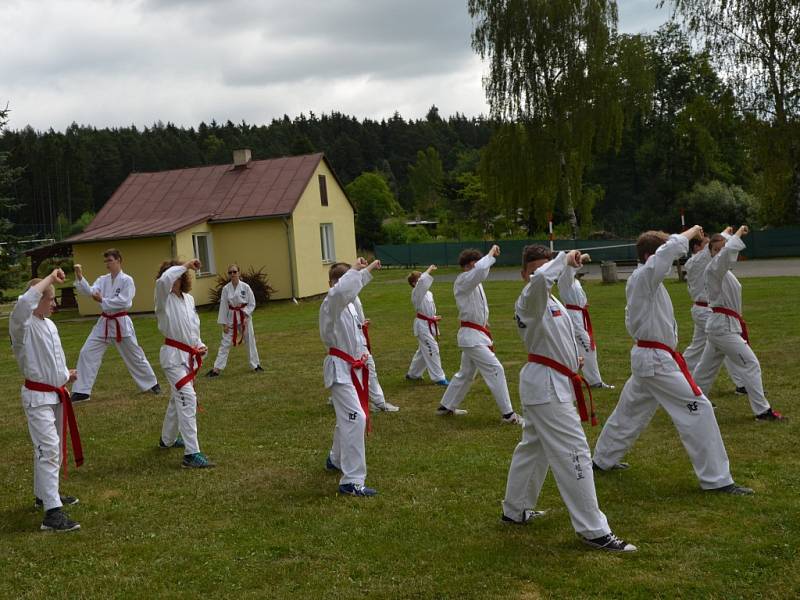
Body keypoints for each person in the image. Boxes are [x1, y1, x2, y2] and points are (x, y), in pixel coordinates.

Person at [592, 226, 753, 495]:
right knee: (699, 409)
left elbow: (670, 253)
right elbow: (670, 250)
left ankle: (602, 459)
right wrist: (691, 232)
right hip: (656, 361)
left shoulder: (645, 281)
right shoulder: (644, 276)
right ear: (649, 256)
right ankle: (717, 479)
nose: (670, 263)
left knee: (629, 411)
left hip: (650, 359)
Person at [502, 246, 636, 552]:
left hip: (551, 382)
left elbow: (556, 334)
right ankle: (594, 529)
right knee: (574, 451)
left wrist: (572, 357)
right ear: (524, 274)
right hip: (546, 386)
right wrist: (561, 260)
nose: (538, 274)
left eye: (543, 268)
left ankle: (515, 509)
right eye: (533, 269)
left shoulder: (552, 301)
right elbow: (540, 282)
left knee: (533, 448)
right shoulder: (530, 297)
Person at [11, 269, 83, 531]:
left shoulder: (49, 324)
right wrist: (50, 279)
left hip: (55, 394)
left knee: (51, 448)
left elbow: (52, 360)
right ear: (38, 298)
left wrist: (65, 375)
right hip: (37, 398)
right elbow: (22, 303)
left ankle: (45, 495)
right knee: (49, 448)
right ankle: (52, 515)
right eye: (50, 298)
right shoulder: (22, 324)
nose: (54, 303)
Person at [692, 226, 785, 421]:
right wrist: (738, 234)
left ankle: (691, 402)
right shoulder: (713, 269)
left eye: (722, 249)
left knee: (705, 369)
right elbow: (724, 255)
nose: (720, 252)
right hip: (723, 327)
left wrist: (729, 235)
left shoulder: (724, 272)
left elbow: (724, 253)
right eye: (715, 250)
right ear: (709, 253)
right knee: (750, 364)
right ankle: (762, 411)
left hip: (721, 326)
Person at [437, 246, 523, 425]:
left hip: (476, 333)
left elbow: (477, 305)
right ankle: (508, 415)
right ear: (470, 265)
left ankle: (446, 406)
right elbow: (481, 270)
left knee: (466, 373)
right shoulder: (463, 280)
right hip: (471, 337)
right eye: (476, 264)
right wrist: (491, 253)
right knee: (495, 369)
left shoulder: (474, 282)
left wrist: (484, 321)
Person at [321, 258, 382, 496]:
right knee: (356, 418)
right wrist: (357, 271)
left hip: (353, 366)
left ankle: (335, 459)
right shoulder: (331, 302)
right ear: (333, 283)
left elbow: (350, 290)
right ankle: (351, 481)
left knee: (347, 416)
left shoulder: (350, 305)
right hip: (340, 369)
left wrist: (364, 271)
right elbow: (342, 291)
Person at [71, 249, 160, 403]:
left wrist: (102, 300)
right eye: (105, 261)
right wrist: (80, 277)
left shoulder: (127, 280)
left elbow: (124, 301)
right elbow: (91, 291)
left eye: (110, 260)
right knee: (87, 352)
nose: (107, 264)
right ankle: (81, 391)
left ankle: (152, 384)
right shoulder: (102, 279)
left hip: (121, 322)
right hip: (104, 323)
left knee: (135, 355)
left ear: (119, 260)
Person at [155, 259, 215, 468]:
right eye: (170, 275)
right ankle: (191, 454)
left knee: (177, 397)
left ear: (182, 280)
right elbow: (163, 281)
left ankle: (167, 439)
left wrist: (200, 346)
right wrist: (186, 265)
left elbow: (192, 329)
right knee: (187, 397)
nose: (172, 280)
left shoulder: (188, 300)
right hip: (173, 358)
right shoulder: (163, 298)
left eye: (176, 277)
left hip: (188, 356)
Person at [682, 229, 744, 392]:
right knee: (725, 343)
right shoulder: (696, 262)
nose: (710, 249)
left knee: (697, 348)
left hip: (703, 309)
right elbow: (715, 248)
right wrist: (733, 233)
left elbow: (718, 246)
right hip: (705, 311)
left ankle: (680, 372)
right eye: (706, 245)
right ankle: (741, 383)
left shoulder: (701, 260)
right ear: (697, 248)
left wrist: (726, 232)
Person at [557, 252, 614, 389]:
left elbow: (572, 269)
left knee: (579, 348)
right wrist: (580, 258)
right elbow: (570, 268)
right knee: (588, 346)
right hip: (573, 317)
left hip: (579, 315)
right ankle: (594, 381)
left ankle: (575, 378)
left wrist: (580, 260)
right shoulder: (564, 279)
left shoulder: (573, 281)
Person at [206, 264, 263, 377]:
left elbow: (252, 303)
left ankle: (255, 365)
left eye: (234, 272)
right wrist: (224, 324)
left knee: (250, 341)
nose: (232, 274)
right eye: (230, 272)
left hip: (243, 317)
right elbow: (223, 307)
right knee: (225, 343)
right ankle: (216, 369)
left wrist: (246, 314)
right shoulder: (226, 289)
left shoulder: (245, 287)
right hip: (231, 317)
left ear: (239, 273)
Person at [349, 295, 399, 412]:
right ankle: (343, 399)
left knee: (369, 367)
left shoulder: (353, 297)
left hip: (359, 340)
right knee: (356, 371)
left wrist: (361, 323)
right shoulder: (339, 301)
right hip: (350, 344)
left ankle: (379, 401)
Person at [405, 265, 449, 386]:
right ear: (415, 283)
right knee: (432, 348)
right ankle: (438, 377)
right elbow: (423, 281)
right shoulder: (416, 292)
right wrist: (429, 270)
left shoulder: (428, 293)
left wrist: (433, 317)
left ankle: (413, 374)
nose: (423, 281)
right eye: (419, 279)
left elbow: (427, 309)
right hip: (422, 326)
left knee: (423, 350)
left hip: (428, 323)